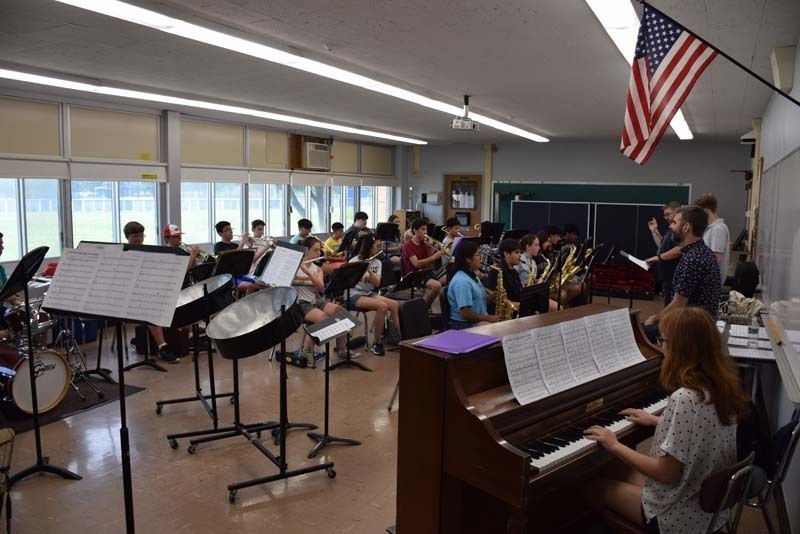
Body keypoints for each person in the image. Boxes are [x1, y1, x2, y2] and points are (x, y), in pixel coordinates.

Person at [584, 307, 747, 534]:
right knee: (613, 468)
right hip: (707, 508)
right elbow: (702, 431)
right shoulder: (722, 385)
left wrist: (614, 445)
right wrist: (658, 421)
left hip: (676, 515)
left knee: (592, 487)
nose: (661, 348)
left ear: (681, 348)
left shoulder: (685, 398)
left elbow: (665, 473)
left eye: (663, 341)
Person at [644, 207, 721, 335]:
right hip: (702, 323)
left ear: (686, 227)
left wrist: (655, 318)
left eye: (674, 223)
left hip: (692, 327)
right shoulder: (703, 252)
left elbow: (679, 303)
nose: (671, 227)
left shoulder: (693, 258)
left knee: (642, 332)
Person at [294, 236, 348, 359]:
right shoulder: (294, 267)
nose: (319, 253)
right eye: (315, 250)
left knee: (342, 312)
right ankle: (306, 350)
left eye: (319, 250)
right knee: (324, 319)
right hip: (300, 304)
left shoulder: (317, 268)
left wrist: (308, 273)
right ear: (306, 251)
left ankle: (342, 350)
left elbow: (320, 287)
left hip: (315, 301)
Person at [347, 235, 401, 356]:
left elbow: (377, 283)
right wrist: (363, 266)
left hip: (368, 293)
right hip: (353, 294)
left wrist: (369, 270)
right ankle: (377, 343)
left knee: (394, 304)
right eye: (376, 246)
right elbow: (349, 283)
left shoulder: (377, 262)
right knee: (382, 306)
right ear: (369, 247)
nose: (379, 248)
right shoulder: (354, 262)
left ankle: (401, 338)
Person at [446, 239, 499, 329]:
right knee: (496, 329)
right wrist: (489, 318)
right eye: (478, 255)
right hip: (463, 324)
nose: (481, 258)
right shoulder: (462, 281)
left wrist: (491, 297)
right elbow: (465, 313)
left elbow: (477, 302)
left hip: (477, 320)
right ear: (468, 259)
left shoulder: (472, 275)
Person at [645, 202, 683, 305]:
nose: (665, 217)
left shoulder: (680, 230)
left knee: (670, 310)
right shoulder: (670, 230)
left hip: (673, 277)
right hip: (666, 277)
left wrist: (658, 258)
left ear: (677, 212)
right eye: (664, 215)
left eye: (668, 214)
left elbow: (680, 249)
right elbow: (662, 247)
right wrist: (654, 231)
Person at [401, 218, 443, 307]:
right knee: (437, 286)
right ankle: (425, 306)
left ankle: (424, 306)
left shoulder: (424, 243)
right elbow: (416, 264)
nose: (426, 232)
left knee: (446, 278)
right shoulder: (408, 246)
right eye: (423, 229)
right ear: (415, 230)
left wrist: (430, 247)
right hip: (414, 276)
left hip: (425, 272)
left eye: (426, 229)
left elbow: (430, 264)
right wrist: (434, 256)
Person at [694, 194, 730, 284]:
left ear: (706, 211)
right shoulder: (712, 228)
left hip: (710, 281)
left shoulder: (718, 229)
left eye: (699, 212)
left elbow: (716, 259)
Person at [485, 238, 523, 314]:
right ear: (506, 254)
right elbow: (494, 298)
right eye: (516, 252)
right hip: (502, 313)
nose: (520, 255)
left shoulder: (514, 271)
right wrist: (518, 305)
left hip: (514, 310)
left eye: (520, 252)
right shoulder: (496, 271)